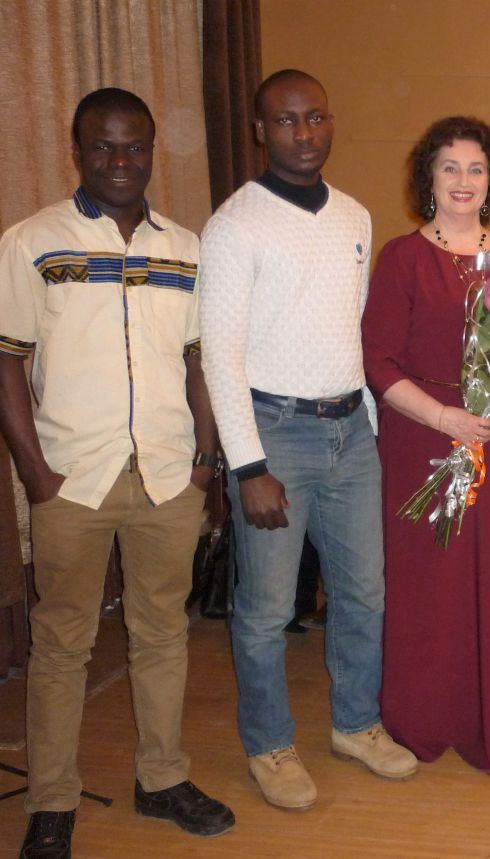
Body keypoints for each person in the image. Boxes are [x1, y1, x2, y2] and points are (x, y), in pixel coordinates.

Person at [0, 88, 234, 858]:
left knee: (162, 631)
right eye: (103, 146)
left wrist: (205, 459)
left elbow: (200, 361)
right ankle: (52, 801)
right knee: (62, 643)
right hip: (72, 476)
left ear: (151, 149)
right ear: (78, 151)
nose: (120, 160)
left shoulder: (186, 247)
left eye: (134, 145)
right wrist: (35, 472)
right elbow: (6, 359)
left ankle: (162, 777)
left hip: (168, 474)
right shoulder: (33, 241)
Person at [199, 69, 416, 812]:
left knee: (364, 592)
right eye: (286, 121)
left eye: (316, 117)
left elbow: (356, 334)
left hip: (351, 431)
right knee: (265, 609)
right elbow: (219, 356)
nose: (304, 133)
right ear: (261, 131)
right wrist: (248, 466)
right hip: (274, 435)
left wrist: (374, 432)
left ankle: (356, 724)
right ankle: (269, 742)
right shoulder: (234, 225)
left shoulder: (354, 216)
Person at [362, 115, 490, 777]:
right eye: (450, 167)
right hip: (422, 437)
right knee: (429, 580)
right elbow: (378, 363)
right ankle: (422, 716)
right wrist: (445, 418)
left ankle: (486, 716)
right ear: (428, 178)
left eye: (476, 168)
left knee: (489, 574)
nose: (463, 180)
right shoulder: (402, 258)